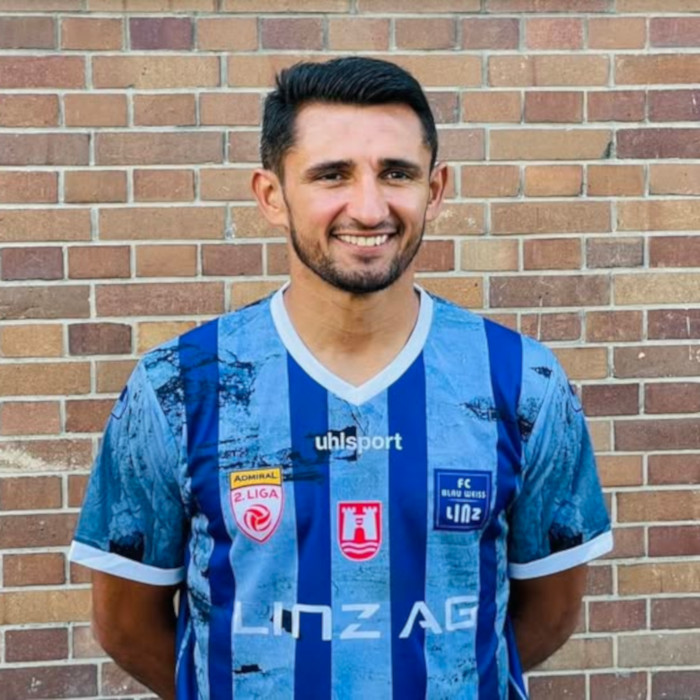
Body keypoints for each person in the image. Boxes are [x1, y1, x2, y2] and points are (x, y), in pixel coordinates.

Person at [69, 57, 612, 700]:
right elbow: (126, 624)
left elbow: (549, 613)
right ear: (272, 196)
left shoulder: (523, 381)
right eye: (332, 175)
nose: (369, 207)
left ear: (435, 189)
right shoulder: (180, 386)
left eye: (397, 173)